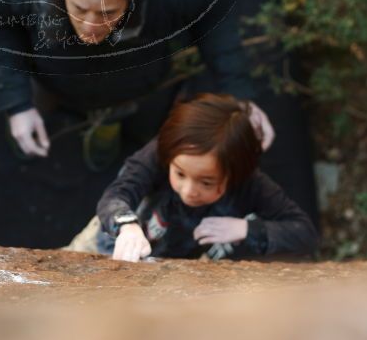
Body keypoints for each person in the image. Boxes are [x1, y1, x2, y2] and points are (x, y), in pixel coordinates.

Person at [0, 0, 274, 164]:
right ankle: (27, 125)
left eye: (108, 12)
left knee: (121, 109)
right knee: (35, 106)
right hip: (49, 75)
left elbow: (215, 13)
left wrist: (240, 95)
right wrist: (16, 103)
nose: (91, 26)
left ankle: (107, 125)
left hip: (132, 78)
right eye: (79, 9)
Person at [96, 93, 318, 261]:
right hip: (115, 237)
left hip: (177, 262)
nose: (188, 190)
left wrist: (246, 229)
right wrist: (126, 225)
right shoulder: (160, 153)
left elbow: (304, 233)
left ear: (234, 174)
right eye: (180, 174)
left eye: (206, 182)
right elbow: (117, 194)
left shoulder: (251, 185)